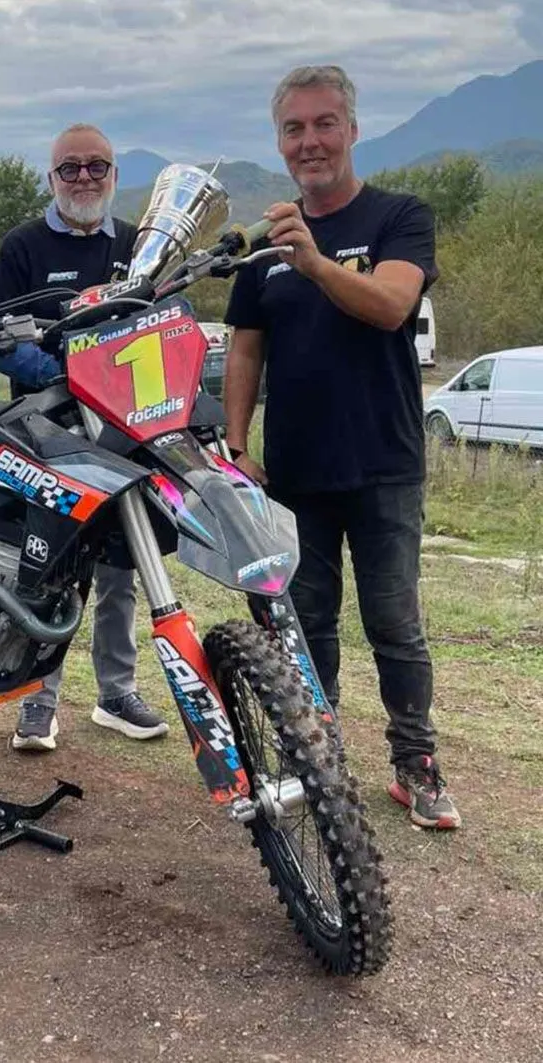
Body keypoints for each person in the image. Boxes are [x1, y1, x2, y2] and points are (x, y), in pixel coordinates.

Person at [223, 64, 460, 830]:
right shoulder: (264, 242)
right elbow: (246, 346)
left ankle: (416, 766)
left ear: (352, 130)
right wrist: (236, 443)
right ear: (279, 142)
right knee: (306, 626)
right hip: (296, 470)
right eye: (294, 128)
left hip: (386, 463)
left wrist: (316, 263)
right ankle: (318, 763)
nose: (310, 141)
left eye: (325, 123)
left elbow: (391, 305)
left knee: (395, 623)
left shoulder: (399, 216)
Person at [0, 123, 170, 753]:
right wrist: (69, 376)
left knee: (121, 566)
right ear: (52, 178)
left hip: (124, 430)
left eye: (96, 166)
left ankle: (116, 693)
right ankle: (38, 701)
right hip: (48, 430)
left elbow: (157, 322)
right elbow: (0, 339)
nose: (84, 178)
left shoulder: (139, 246)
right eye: (70, 168)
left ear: (114, 174)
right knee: (47, 564)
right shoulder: (22, 245)